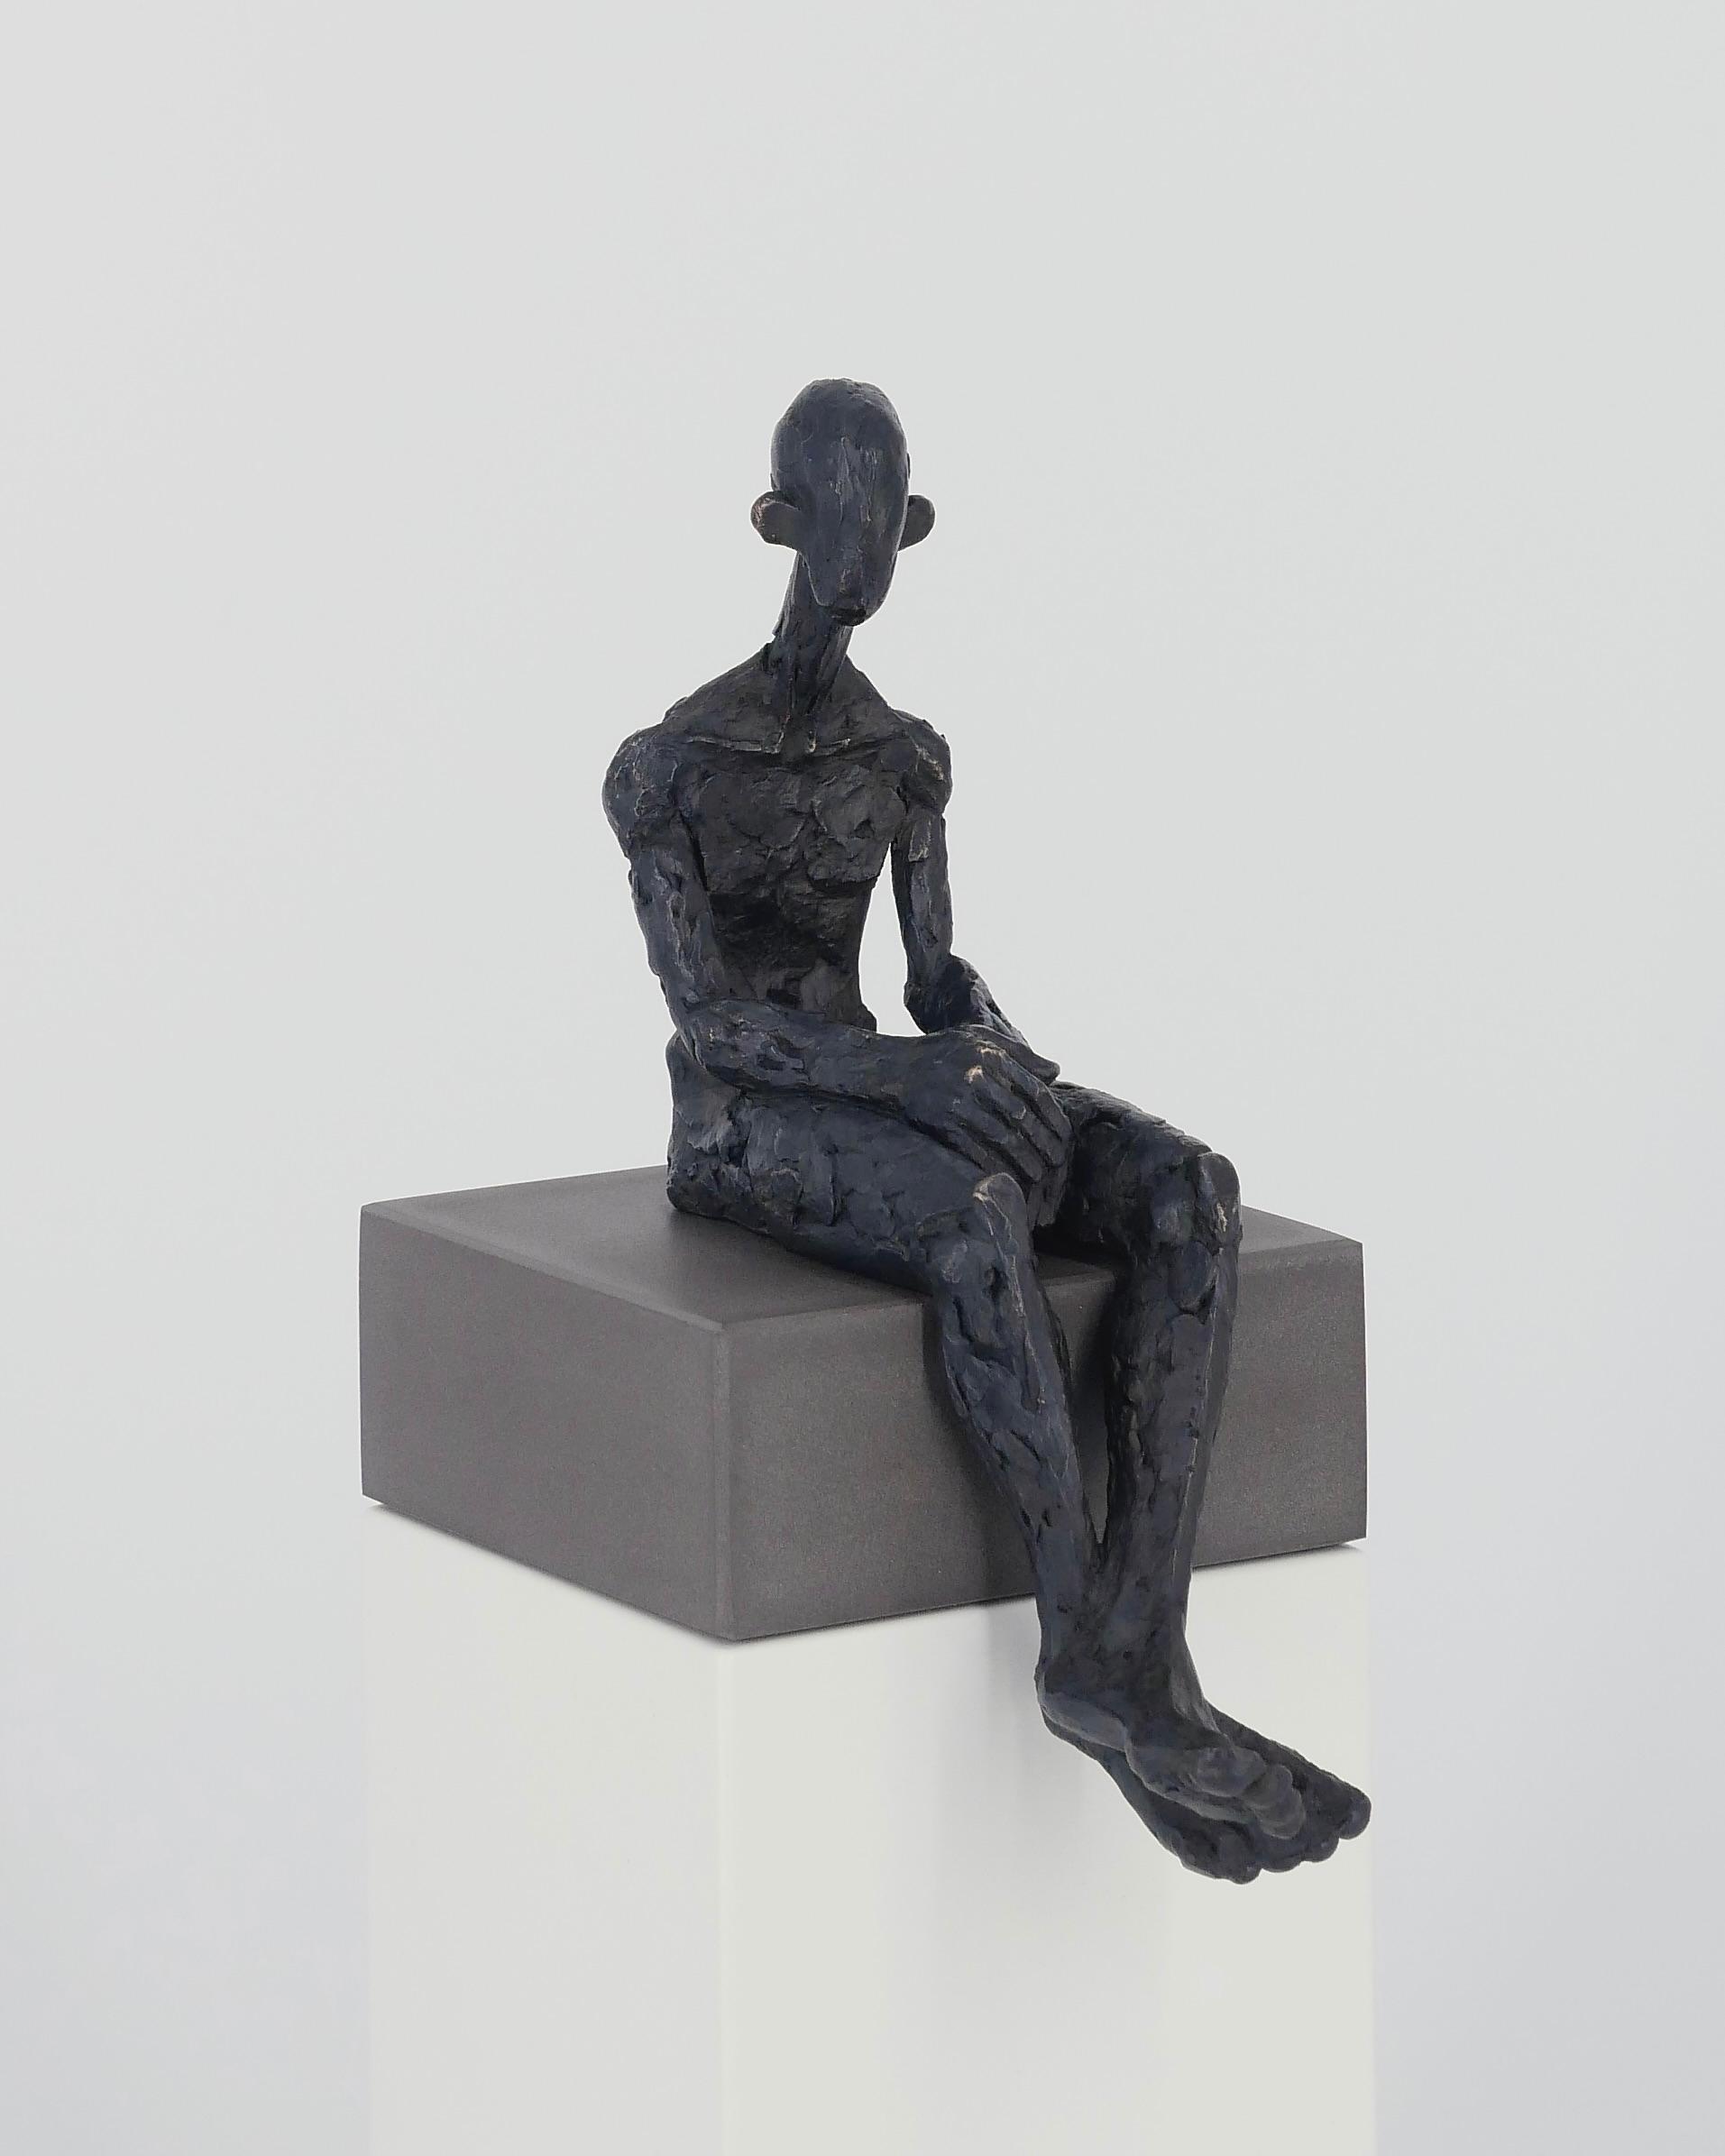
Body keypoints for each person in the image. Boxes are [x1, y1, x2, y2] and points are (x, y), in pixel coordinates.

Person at [604, 379, 1368, 1879]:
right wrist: (911, 1081)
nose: (859, 547)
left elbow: (935, 979)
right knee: (972, 1219)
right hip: (746, 1123)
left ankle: (1132, 1652)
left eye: (882, 518)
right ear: (779, 523)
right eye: (835, 515)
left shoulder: (905, 760)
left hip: (888, 1080)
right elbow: (708, 1023)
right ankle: (1088, 1643)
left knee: (1187, 1192)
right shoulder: (667, 767)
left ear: (912, 527)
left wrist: (997, 1059)